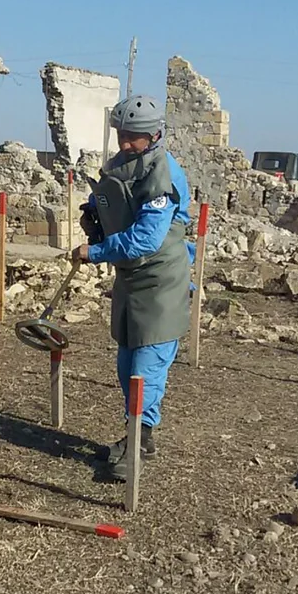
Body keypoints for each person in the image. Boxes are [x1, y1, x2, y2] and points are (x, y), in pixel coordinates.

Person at [73, 94, 194, 482]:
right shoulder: (124, 163)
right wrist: (95, 211)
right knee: (126, 363)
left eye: (134, 137)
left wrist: (95, 251)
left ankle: (139, 441)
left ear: (155, 134)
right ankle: (136, 433)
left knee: (146, 367)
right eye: (121, 135)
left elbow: (145, 239)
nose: (126, 143)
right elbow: (112, 196)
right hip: (130, 278)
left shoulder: (163, 175)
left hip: (160, 281)